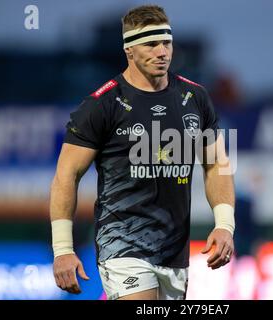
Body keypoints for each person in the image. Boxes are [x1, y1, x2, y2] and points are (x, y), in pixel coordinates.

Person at [49, 4, 236, 300]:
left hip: (175, 253)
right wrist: (63, 249)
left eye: (167, 42)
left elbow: (217, 165)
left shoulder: (195, 98)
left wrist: (225, 225)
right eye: (151, 44)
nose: (162, 52)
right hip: (122, 246)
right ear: (130, 50)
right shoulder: (102, 105)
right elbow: (66, 175)